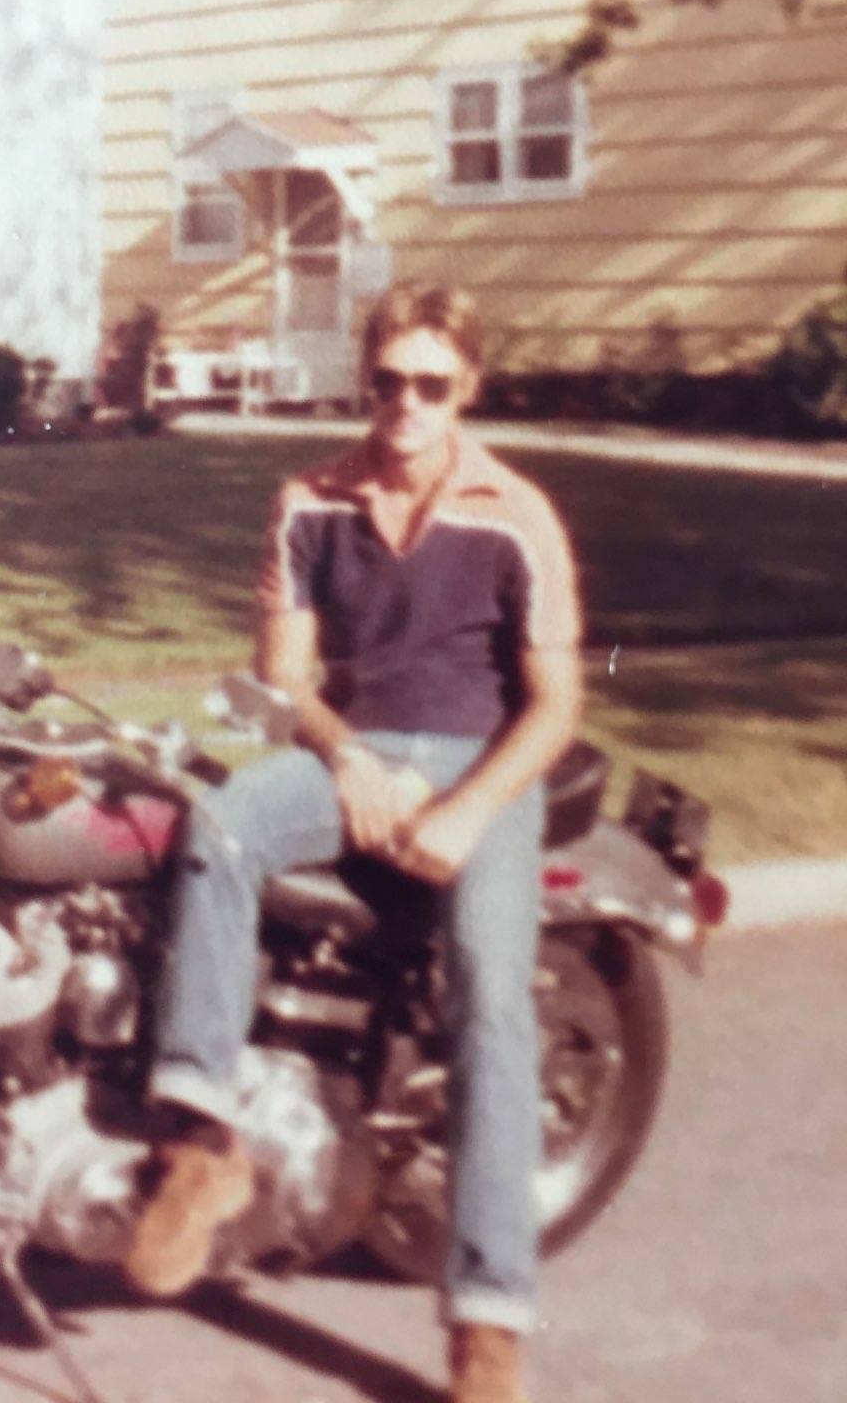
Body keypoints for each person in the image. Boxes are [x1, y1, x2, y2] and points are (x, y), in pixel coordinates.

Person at [123, 283, 583, 1403]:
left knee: (489, 996)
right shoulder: (309, 500)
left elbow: (558, 703)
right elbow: (284, 677)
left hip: (482, 766)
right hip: (358, 751)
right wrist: (348, 758)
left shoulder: (517, 514)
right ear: (364, 380)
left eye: (432, 383)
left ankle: (488, 1318)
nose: (407, 403)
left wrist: (467, 809)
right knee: (217, 824)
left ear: (467, 386)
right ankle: (203, 1144)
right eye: (388, 380)